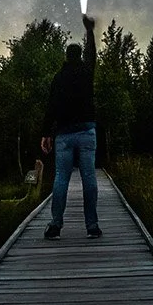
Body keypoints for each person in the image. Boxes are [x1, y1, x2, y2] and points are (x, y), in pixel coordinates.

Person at [40, 14, 101, 239]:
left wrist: (46, 133)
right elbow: (92, 55)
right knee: (89, 177)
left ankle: (56, 224)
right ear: (80, 56)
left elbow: (51, 106)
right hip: (86, 131)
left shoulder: (59, 78)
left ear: (66, 56)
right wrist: (90, 31)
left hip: (64, 134)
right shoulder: (86, 72)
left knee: (61, 177)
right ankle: (92, 226)